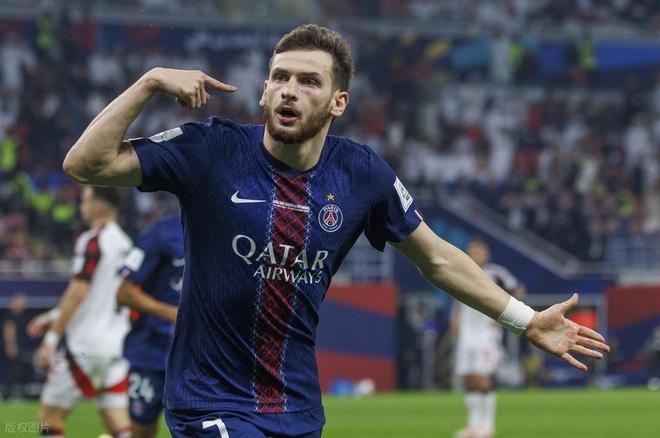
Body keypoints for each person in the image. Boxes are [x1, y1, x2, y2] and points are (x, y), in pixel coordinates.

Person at [62, 24, 610, 437]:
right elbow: (85, 164)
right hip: (210, 402)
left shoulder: (360, 174)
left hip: (297, 408)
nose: (289, 91)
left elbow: (438, 259)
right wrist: (149, 83)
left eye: (308, 82)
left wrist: (524, 320)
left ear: (338, 102)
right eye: (280, 77)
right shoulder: (211, 149)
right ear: (263, 90)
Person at [33, 186, 132, 438]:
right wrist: (53, 315)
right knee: (117, 422)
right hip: (116, 346)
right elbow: (103, 295)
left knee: (48, 420)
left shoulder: (92, 241)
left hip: (85, 347)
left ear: (99, 205)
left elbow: (78, 293)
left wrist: (50, 339)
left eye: (85, 201)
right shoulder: (125, 244)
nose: (81, 207)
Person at [116, 211, 183, 438]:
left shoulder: (221, 230)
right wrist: (174, 314)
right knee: (142, 429)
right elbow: (124, 293)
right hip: (152, 353)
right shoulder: (161, 232)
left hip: (197, 357)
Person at [451, 238, 525, 438]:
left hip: (486, 334)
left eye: (478, 252)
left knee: (483, 378)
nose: (475, 255)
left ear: (487, 254)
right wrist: (455, 318)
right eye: (471, 252)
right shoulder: (462, 272)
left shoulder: (496, 273)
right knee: (469, 378)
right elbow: (457, 297)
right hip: (466, 332)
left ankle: (488, 426)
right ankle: (473, 425)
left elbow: (518, 289)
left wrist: (505, 317)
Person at [2, 292, 32, 400]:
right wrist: (11, 347)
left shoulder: (23, 316)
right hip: (14, 348)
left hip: (22, 348)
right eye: (20, 302)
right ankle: (6, 393)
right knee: (13, 371)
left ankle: (18, 392)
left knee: (21, 371)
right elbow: (9, 332)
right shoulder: (10, 316)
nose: (23, 304)